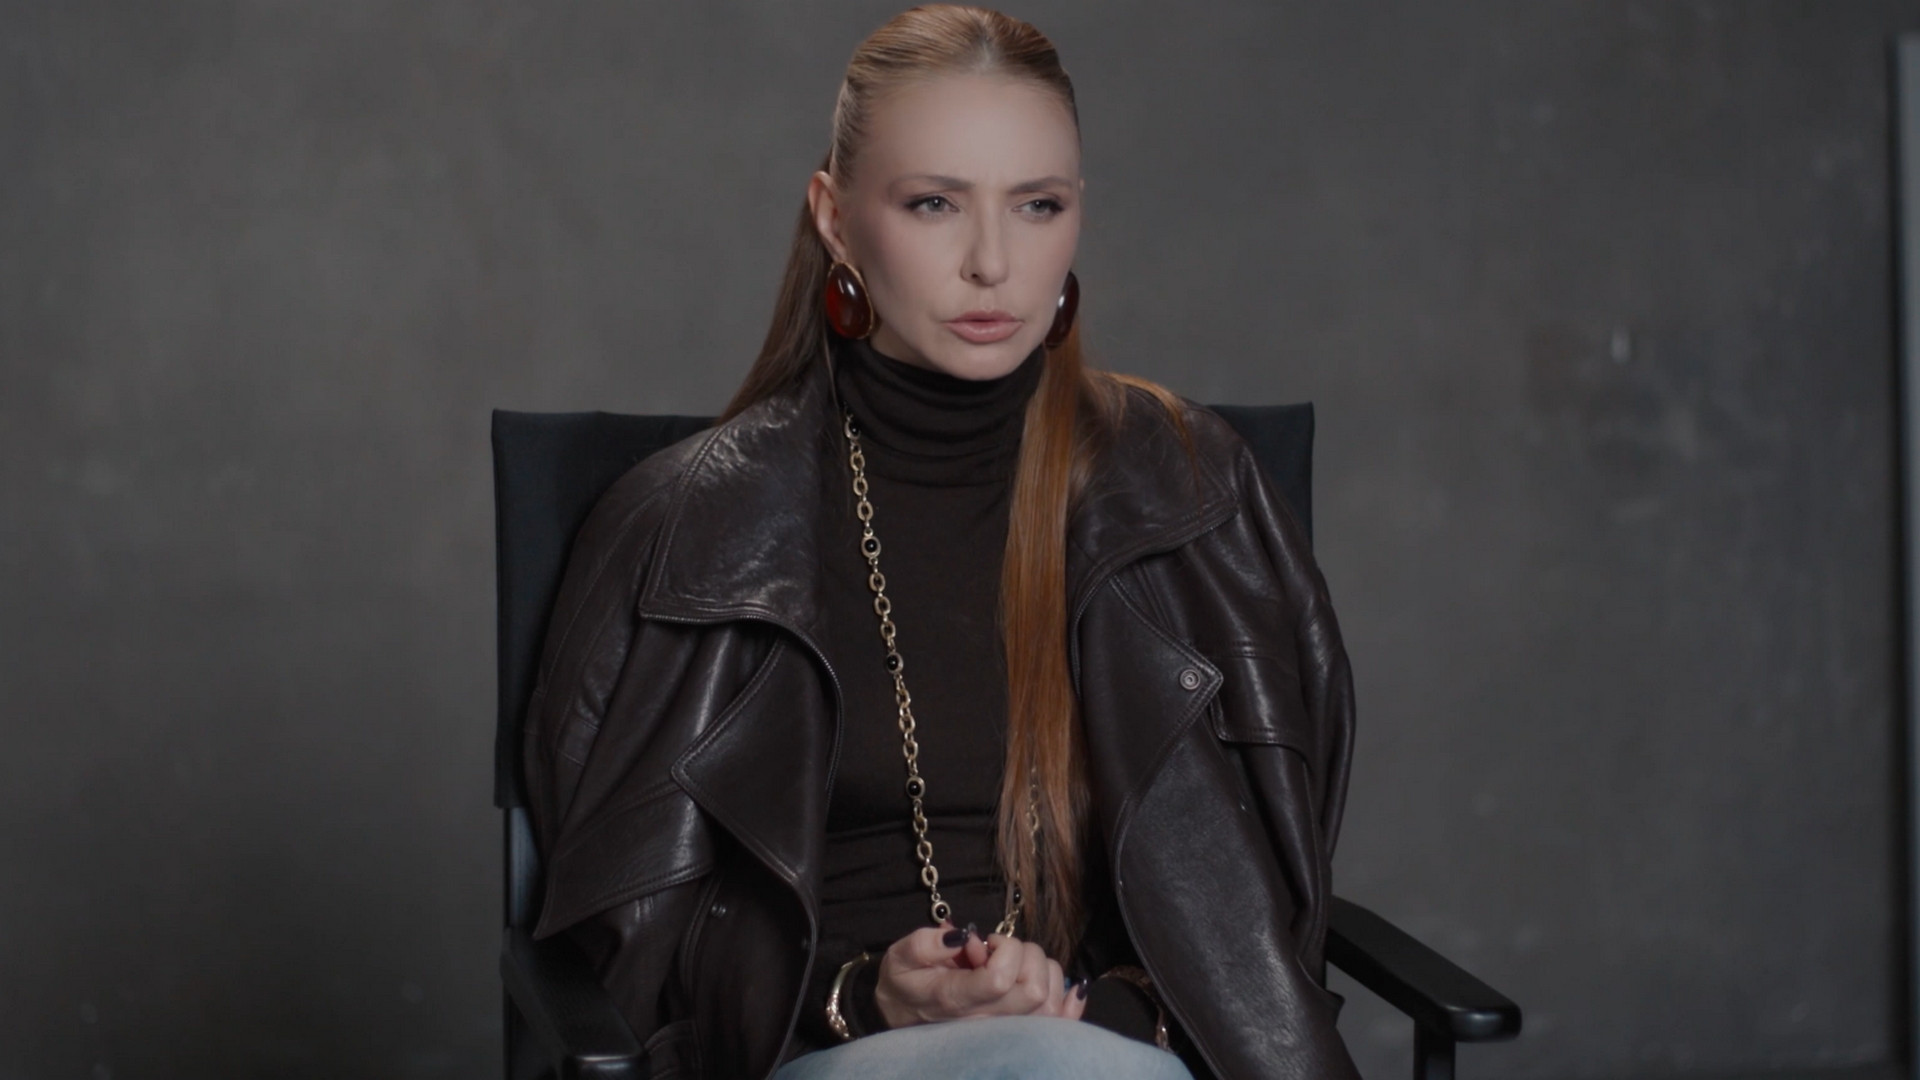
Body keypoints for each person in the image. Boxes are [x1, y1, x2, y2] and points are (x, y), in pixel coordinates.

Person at [519, 5, 1363, 1078]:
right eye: (934, 204)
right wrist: (860, 997)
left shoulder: (1196, 488)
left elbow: (1272, 890)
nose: (992, 262)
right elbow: (626, 951)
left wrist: (1107, 1009)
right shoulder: (688, 525)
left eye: (1038, 205)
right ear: (835, 218)